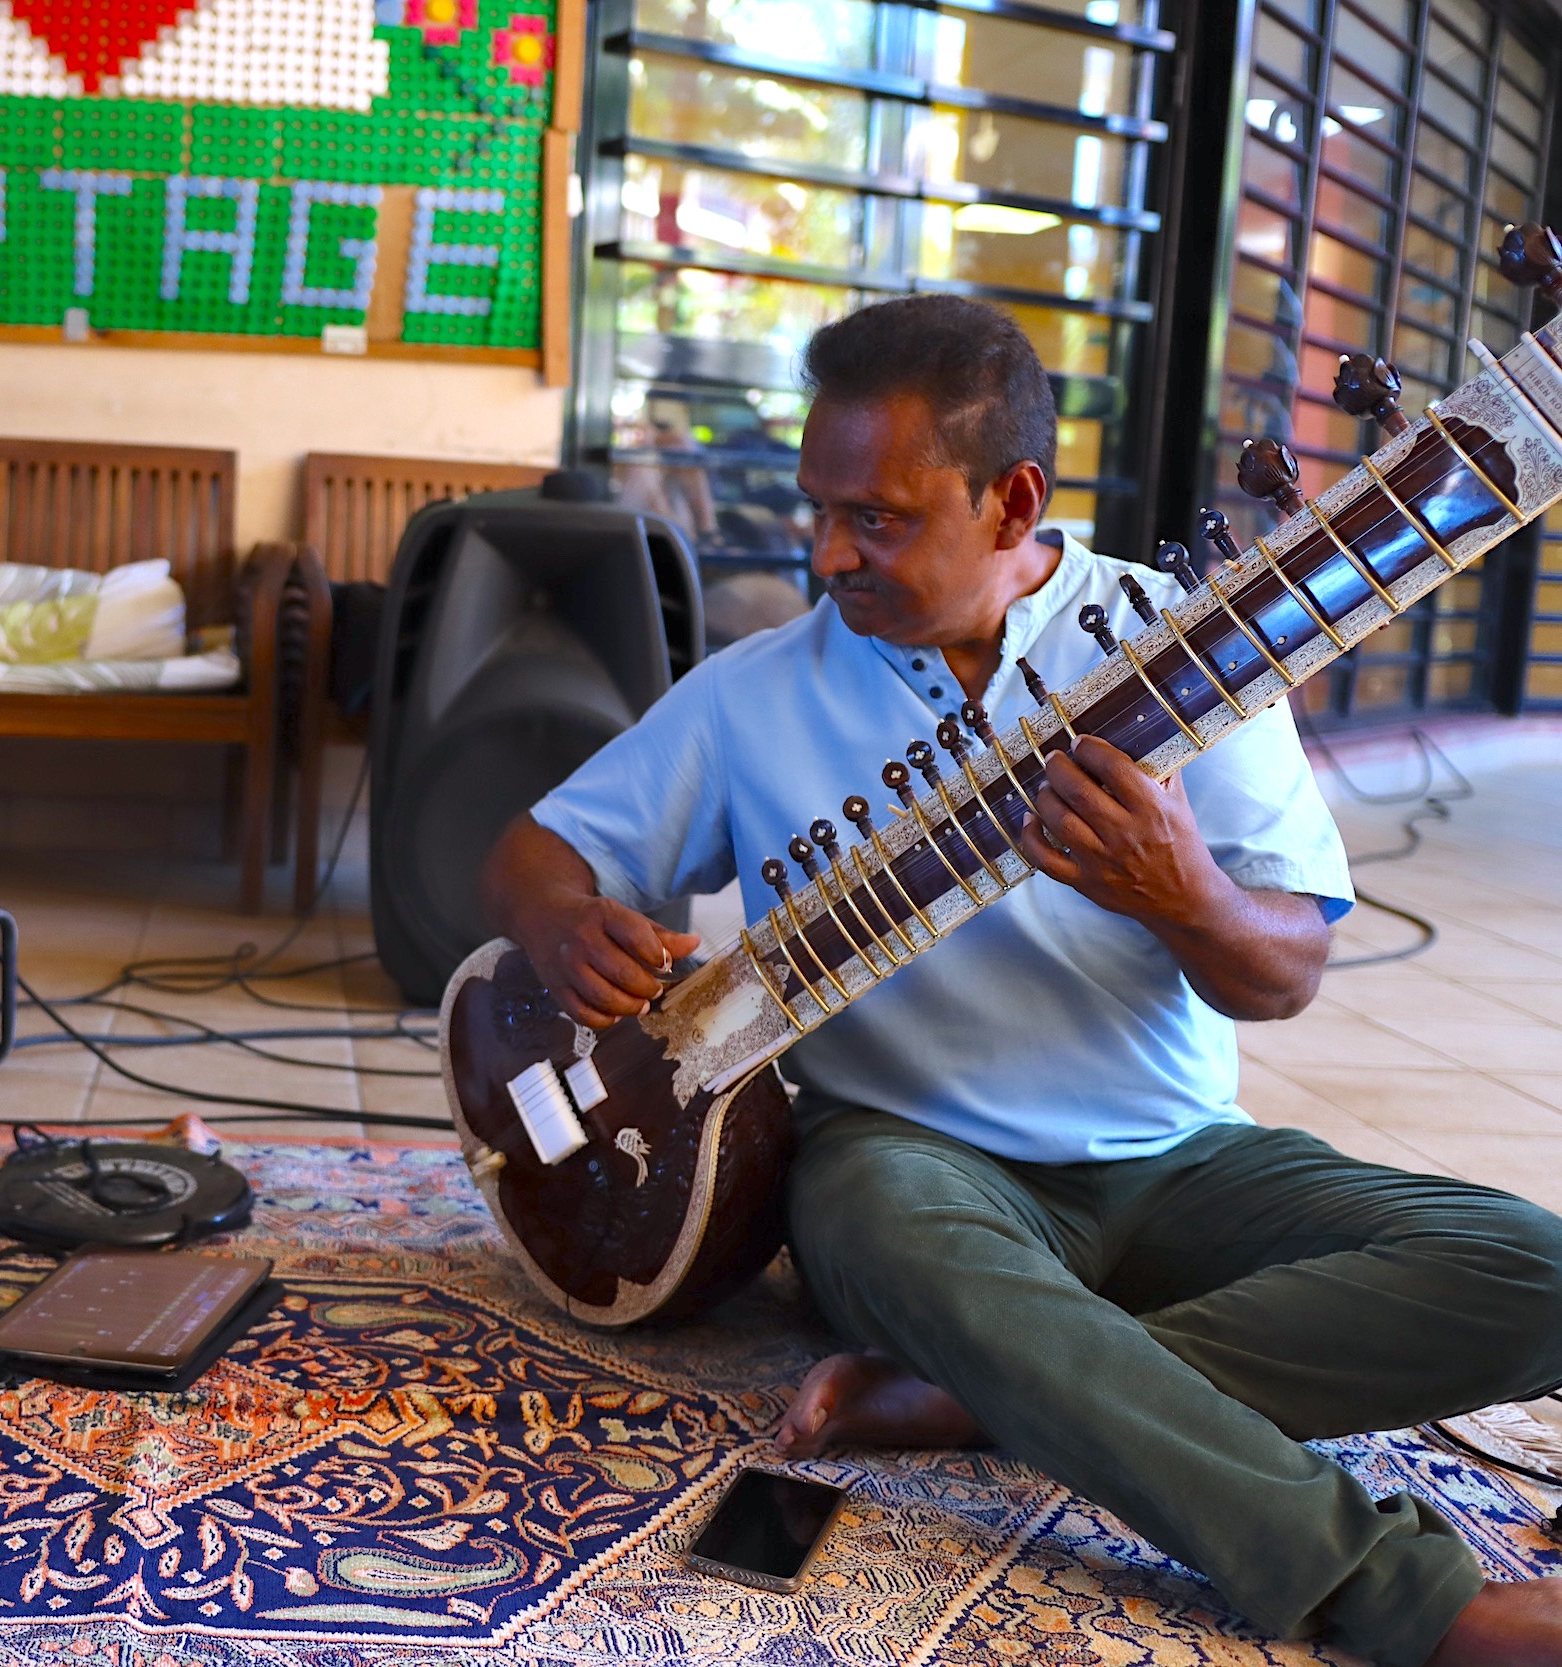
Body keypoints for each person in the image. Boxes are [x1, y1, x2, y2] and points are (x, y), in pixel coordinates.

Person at [481, 295, 1562, 1667]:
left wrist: (1187, 894)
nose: (827, 553)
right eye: (820, 510)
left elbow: (1284, 974)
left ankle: (988, 1389)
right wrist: (561, 920)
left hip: (1176, 1156)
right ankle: (1410, 1597)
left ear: (1014, 501)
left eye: (875, 518)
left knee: (1535, 1270)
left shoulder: (1193, 646)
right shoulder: (755, 692)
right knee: (892, 1234)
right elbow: (532, 852)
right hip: (909, 1163)